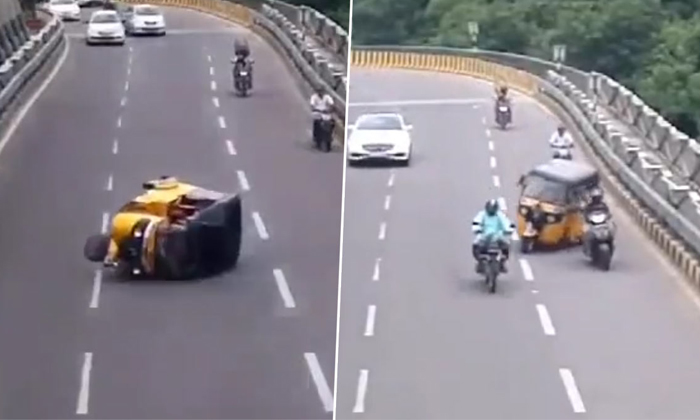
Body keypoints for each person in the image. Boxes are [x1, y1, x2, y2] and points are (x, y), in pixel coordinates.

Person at [472, 199, 514, 273]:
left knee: (506, 246)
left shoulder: (499, 215)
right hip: (484, 237)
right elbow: (476, 222)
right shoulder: (482, 214)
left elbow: (506, 223)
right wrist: (477, 229)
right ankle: (480, 262)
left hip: (497, 237)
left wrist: (509, 230)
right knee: (476, 245)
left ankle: (502, 263)